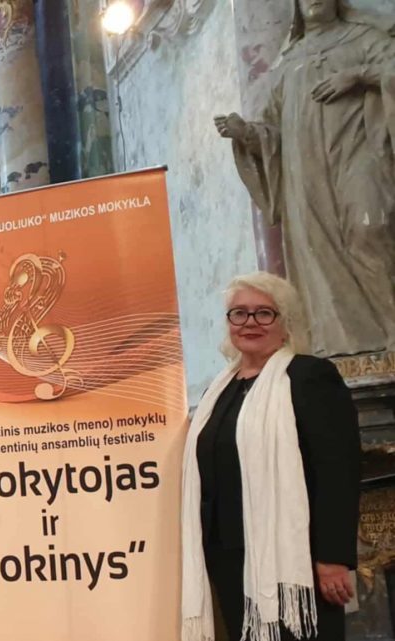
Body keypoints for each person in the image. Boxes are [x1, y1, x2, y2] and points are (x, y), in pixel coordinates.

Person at [181, 272, 360, 641]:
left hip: (296, 558)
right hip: (229, 556)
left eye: (264, 313)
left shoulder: (309, 376)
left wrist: (333, 558)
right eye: (239, 313)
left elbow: (337, 471)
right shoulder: (220, 389)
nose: (250, 323)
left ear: (285, 321)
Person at [214, 0, 395, 357]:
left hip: (358, 155)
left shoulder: (364, 38)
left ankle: (391, 325)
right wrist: (245, 133)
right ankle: (347, 345)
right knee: (319, 252)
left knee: (369, 228)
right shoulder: (290, 61)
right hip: (306, 176)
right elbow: (272, 131)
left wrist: (359, 75)